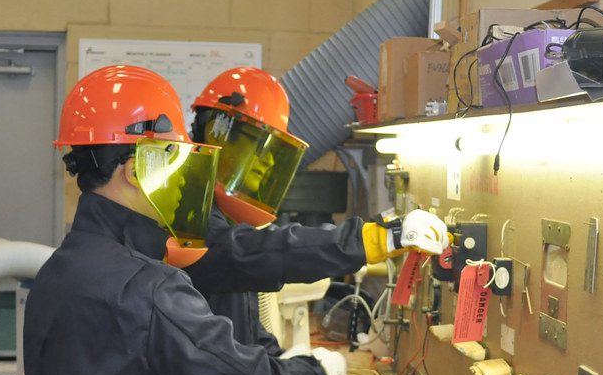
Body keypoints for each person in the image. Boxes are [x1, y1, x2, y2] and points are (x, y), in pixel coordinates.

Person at [23, 65, 347, 375]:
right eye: (172, 159)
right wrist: (319, 373)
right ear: (135, 170)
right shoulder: (147, 287)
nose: (181, 175)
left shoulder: (59, 271)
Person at [185, 66, 449, 352]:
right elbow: (244, 253)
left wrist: (288, 371)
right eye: (256, 147)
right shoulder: (189, 216)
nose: (266, 165)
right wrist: (373, 239)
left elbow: (241, 331)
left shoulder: (223, 216)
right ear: (217, 135)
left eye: (272, 154)